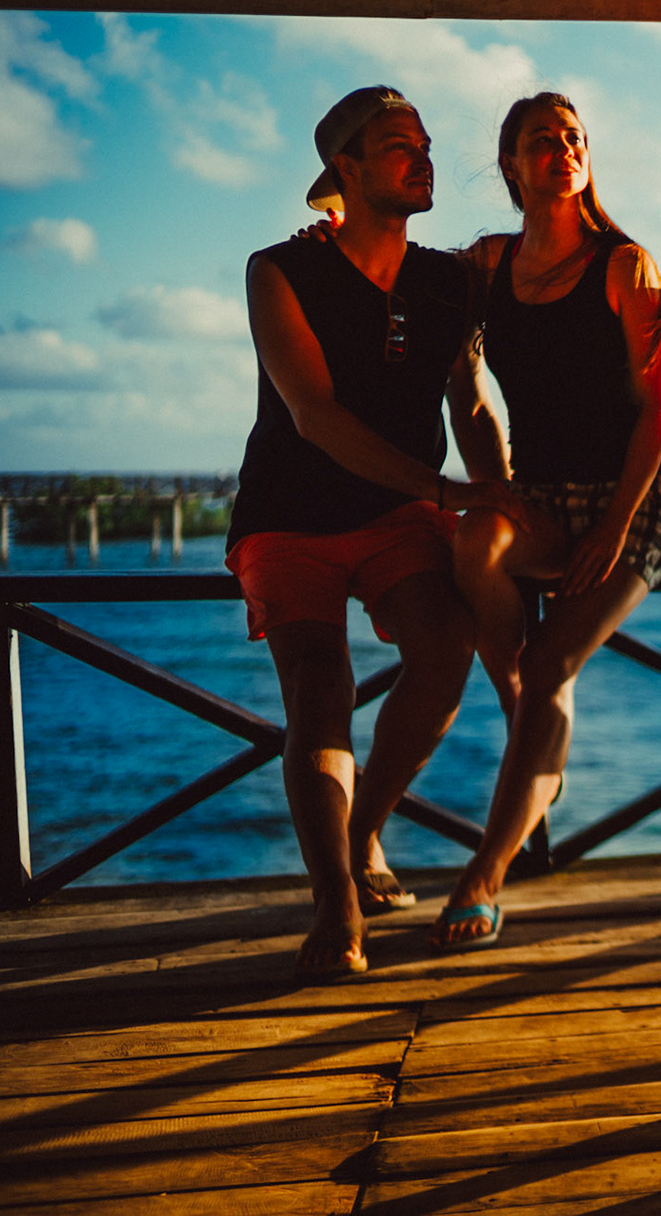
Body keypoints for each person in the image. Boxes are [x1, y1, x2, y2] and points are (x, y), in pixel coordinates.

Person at [228, 86, 519, 981]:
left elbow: (470, 401)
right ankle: (336, 902)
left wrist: (502, 494)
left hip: (397, 517)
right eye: (398, 145)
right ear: (345, 169)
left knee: (445, 649)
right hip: (290, 514)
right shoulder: (280, 269)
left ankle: (362, 832)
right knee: (320, 691)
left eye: (425, 143)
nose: (423, 156)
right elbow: (312, 414)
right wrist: (445, 490)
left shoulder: (448, 280)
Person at [428, 92, 661, 951]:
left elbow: (655, 416)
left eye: (574, 138)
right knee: (474, 539)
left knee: (552, 658)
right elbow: (402, 285)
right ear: (511, 165)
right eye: (543, 141)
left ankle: (483, 875)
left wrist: (615, 526)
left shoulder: (625, 266)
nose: (563, 149)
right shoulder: (486, 266)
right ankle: (529, 725)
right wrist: (328, 232)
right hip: (537, 495)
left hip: (628, 502)